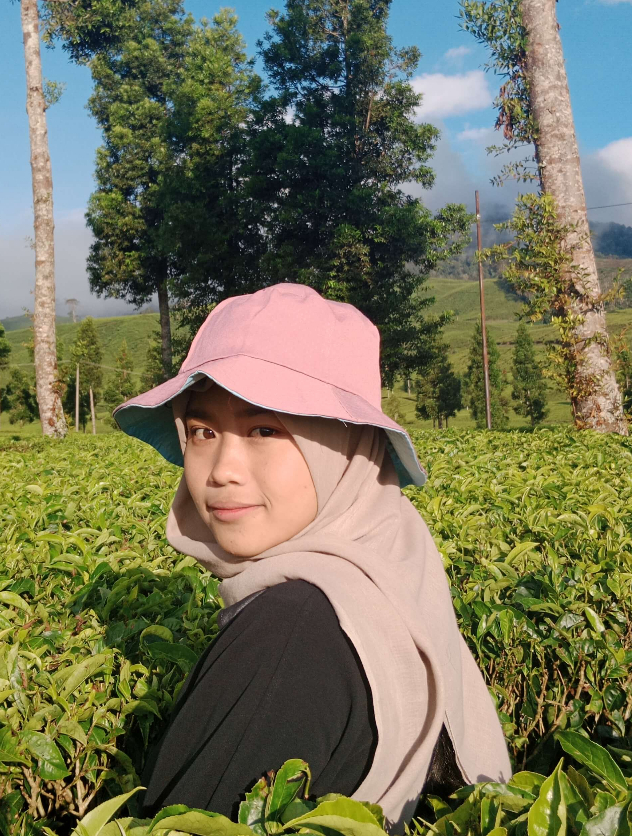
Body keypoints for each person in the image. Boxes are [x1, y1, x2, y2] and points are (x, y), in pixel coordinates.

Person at [114, 284, 510, 827]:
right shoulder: (393, 556)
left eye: (264, 429)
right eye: (203, 430)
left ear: (347, 445)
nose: (222, 469)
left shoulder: (290, 630)